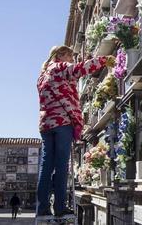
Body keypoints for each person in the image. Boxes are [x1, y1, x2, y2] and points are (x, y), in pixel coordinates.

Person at [36, 46, 115, 217]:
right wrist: (103, 60)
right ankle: (59, 208)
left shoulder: (42, 75)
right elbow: (79, 69)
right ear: (60, 55)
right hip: (62, 121)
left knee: (46, 165)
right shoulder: (58, 67)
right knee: (62, 166)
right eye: (70, 56)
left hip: (46, 124)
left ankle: (41, 208)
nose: (72, 59)